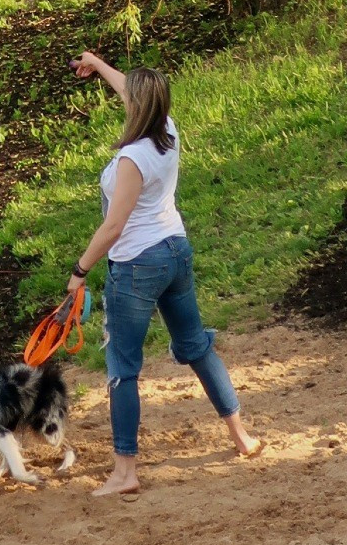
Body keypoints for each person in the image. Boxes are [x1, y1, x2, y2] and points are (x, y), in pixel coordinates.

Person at [63, 53, 262, 498]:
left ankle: (125, 471)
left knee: (122, 367)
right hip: (176, 252)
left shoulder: (132, 160)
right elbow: (130, 89)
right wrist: (97, 64)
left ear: (138, 106)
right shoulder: (167, 130)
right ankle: (241, 436)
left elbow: (113, 227)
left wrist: (80, 271)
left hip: (137, 266)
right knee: (195, 345)